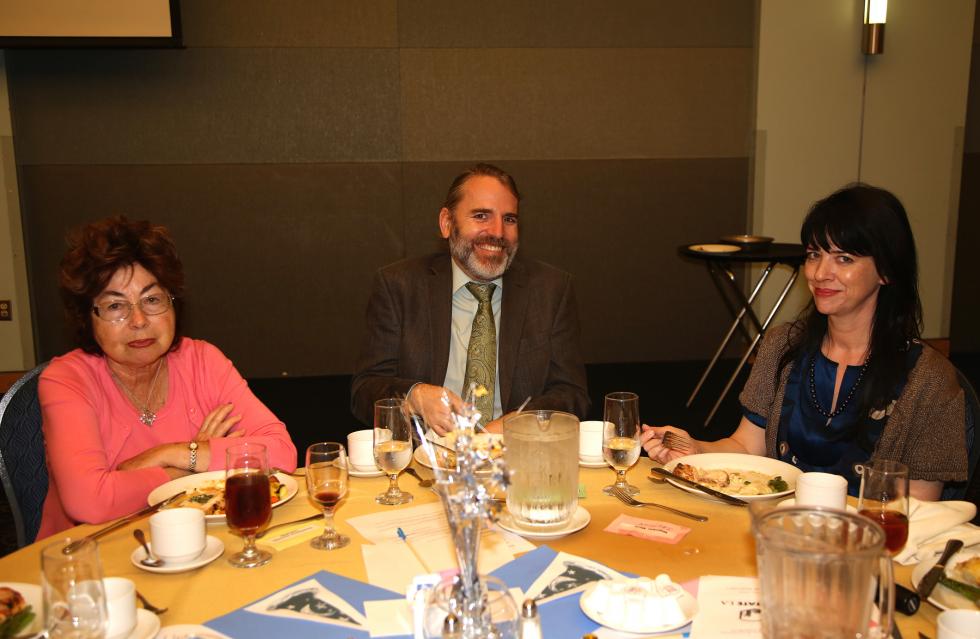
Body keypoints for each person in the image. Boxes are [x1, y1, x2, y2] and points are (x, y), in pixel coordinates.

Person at [642, 184, 967, 500]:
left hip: (865, 544)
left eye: (844, 259)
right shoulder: (783, 346)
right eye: (814, 254)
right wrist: (695, 450)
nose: (820, 272)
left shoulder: (930, 379)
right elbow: (746, 447)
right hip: (778, 531)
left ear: (886, 270)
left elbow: (919, 506)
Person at [38, 216, 297, 539]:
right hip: (92, 558)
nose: (138, 320)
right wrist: (188, 471)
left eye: (152, 299)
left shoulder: (202, 360)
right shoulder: (66, 380)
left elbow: (282, 454)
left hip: (198, 544)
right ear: (86, 317)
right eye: (116, 305)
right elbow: (90, 502)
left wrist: (172, 454)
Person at [351, 163, 589, 433]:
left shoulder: (550, 290)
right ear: (446, 222)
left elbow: (572, 396)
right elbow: (364, 392)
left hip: (517, 462)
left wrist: (517, 424)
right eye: (481, 216)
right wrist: (413, 397)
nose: (498, 232)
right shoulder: (400, 286)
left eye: (509, 219)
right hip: (424, 464)